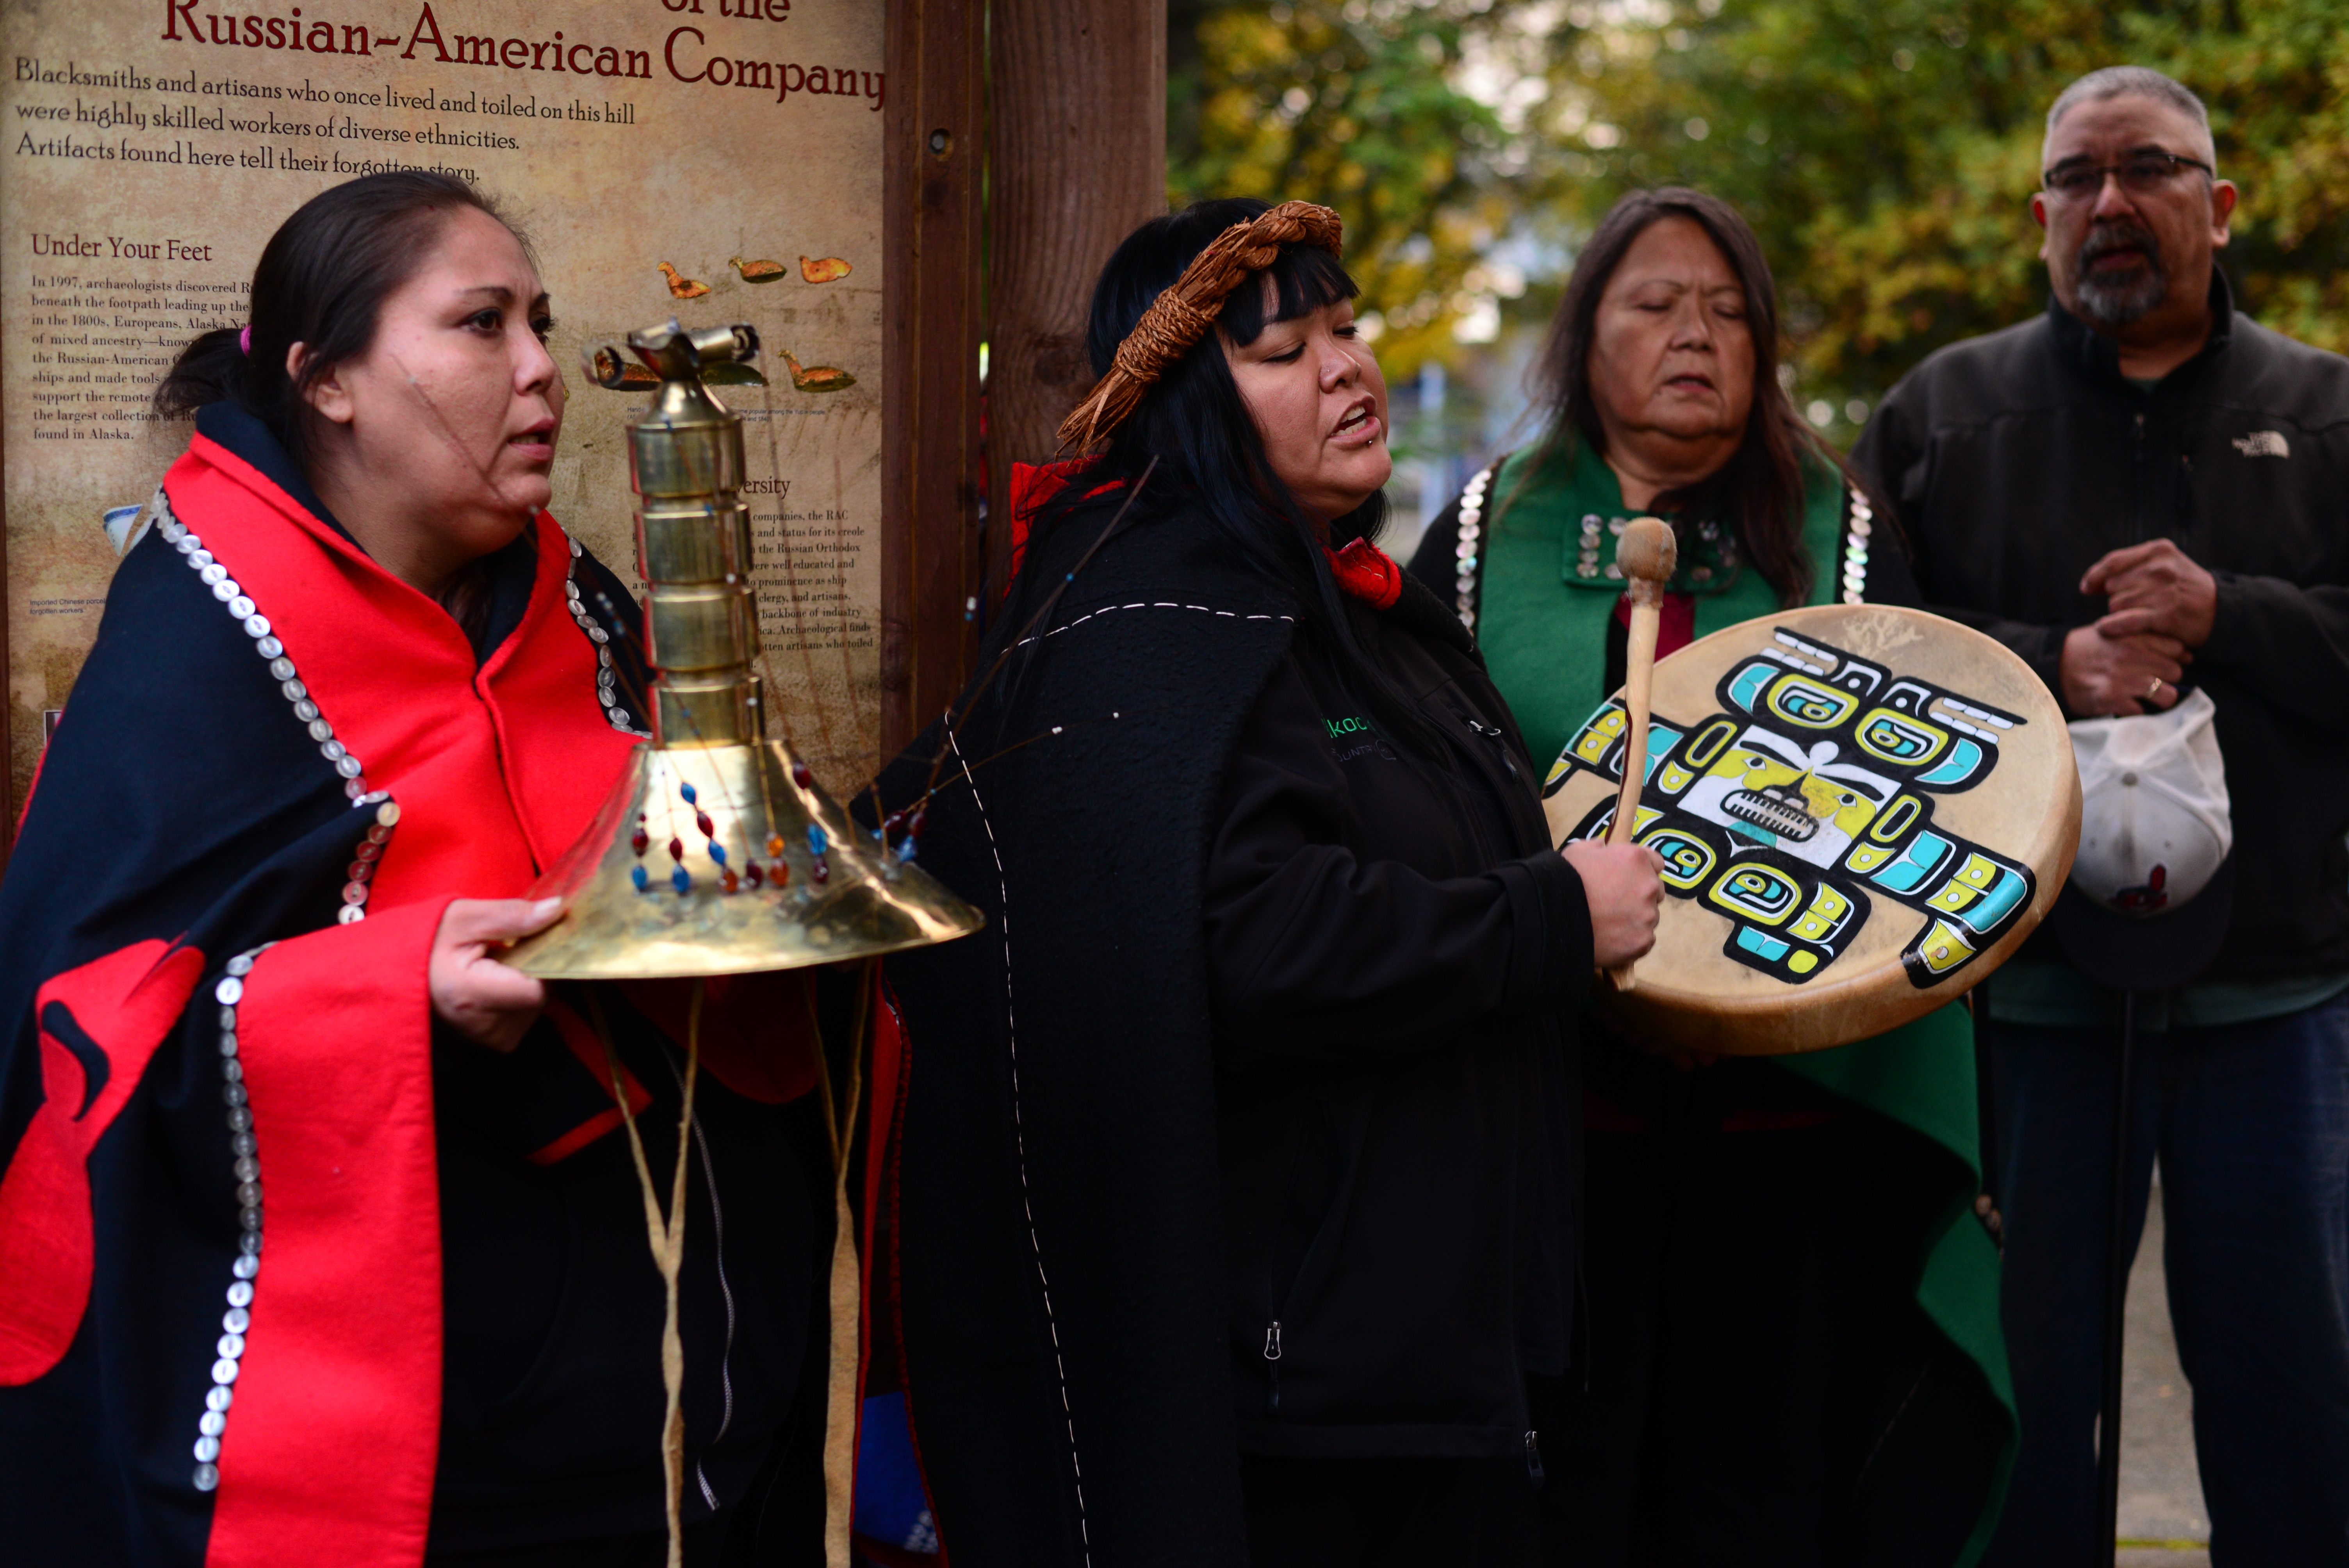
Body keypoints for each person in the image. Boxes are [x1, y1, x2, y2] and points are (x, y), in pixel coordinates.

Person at [0, 173, 829, 1566]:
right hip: (427, 1438)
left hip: (674, 1409)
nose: (540, 371)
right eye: (481, 324)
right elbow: (75, 1027)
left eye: (541, 324)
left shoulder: (583, 597)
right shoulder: (197, 639)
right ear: (327, 383)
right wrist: (387, 992)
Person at [867, 197, 1664, 1568]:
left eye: (1346, 328)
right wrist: (1547, 920)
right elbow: (1245, 941)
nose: (1349, 367)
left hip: (1425, 1341)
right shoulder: (1150, 621)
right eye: (1285, 350)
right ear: (1187, 404)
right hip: (1304, 1380)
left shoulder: (1355, 605)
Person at [1411, 187, 2013, 1565]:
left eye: (1731, 310)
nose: (1698, 333)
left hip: (1791, 1124)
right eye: (1656, 304)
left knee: (1761, 1485)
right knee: (1565, 1481)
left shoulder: (1837, 532)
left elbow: (1924, 796)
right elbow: (1423, 786)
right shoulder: (1482, 533)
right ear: (1583, 340)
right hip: (1555, 1125)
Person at [1852, 66, 2349, 1564]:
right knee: (2018, 1389)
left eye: (2151, 167)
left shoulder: (2328, 412)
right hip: (2024, 1012)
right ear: (2039, 216)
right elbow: (1867, 661)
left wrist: (2231, 613)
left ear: (2223, 201)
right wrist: (2042, 663)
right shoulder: (1945, 413)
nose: (2112, 203)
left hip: (2281, 1005)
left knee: (2293, 1396)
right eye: (2079, 177)